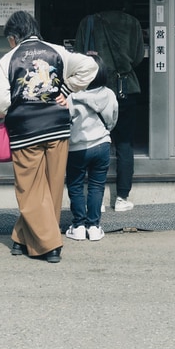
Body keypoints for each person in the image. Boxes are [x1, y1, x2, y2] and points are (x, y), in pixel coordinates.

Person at [0, 10, 98, 263]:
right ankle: (21, 237)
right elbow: (90, 66)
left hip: (25, 130)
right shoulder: (57, 51)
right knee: (50, 186)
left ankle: (50, 245)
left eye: (9, 39)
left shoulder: (8, 59)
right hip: (57, 127)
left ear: (14, 37)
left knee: (29, 189)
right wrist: (66, 88)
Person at [74, 6, 145, 211]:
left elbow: (79, 56)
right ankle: (122, 197)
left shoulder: (88, 21)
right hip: (125, 89)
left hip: (95, 91)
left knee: (93, 140)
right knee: (124, 143)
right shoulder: (132, 22)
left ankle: (96, 198)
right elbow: (139, 56)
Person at [64, 54, 118, 242]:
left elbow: (65, 122)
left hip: (76, 148)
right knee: (97, 186)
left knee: (76, 185)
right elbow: (112, 120)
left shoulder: (71, 96)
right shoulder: (109, 94)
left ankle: (78, 226)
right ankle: (94, 227)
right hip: (102, 144)